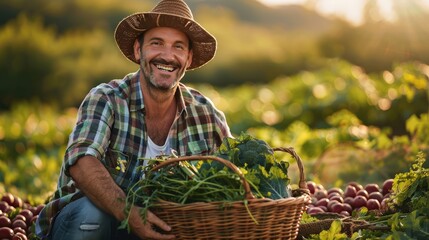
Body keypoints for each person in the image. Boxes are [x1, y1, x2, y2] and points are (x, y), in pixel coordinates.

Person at [35, 0, 232, 239]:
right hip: (98, 222)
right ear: (139, 50)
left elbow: (236, 172)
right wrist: (129, 213)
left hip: (167, 228)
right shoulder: (107, 99)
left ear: (188, 59)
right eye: (157, 43)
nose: (167, 56)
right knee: (91, 216)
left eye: (178, 47)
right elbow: (82, 161)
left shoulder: (205, 114)